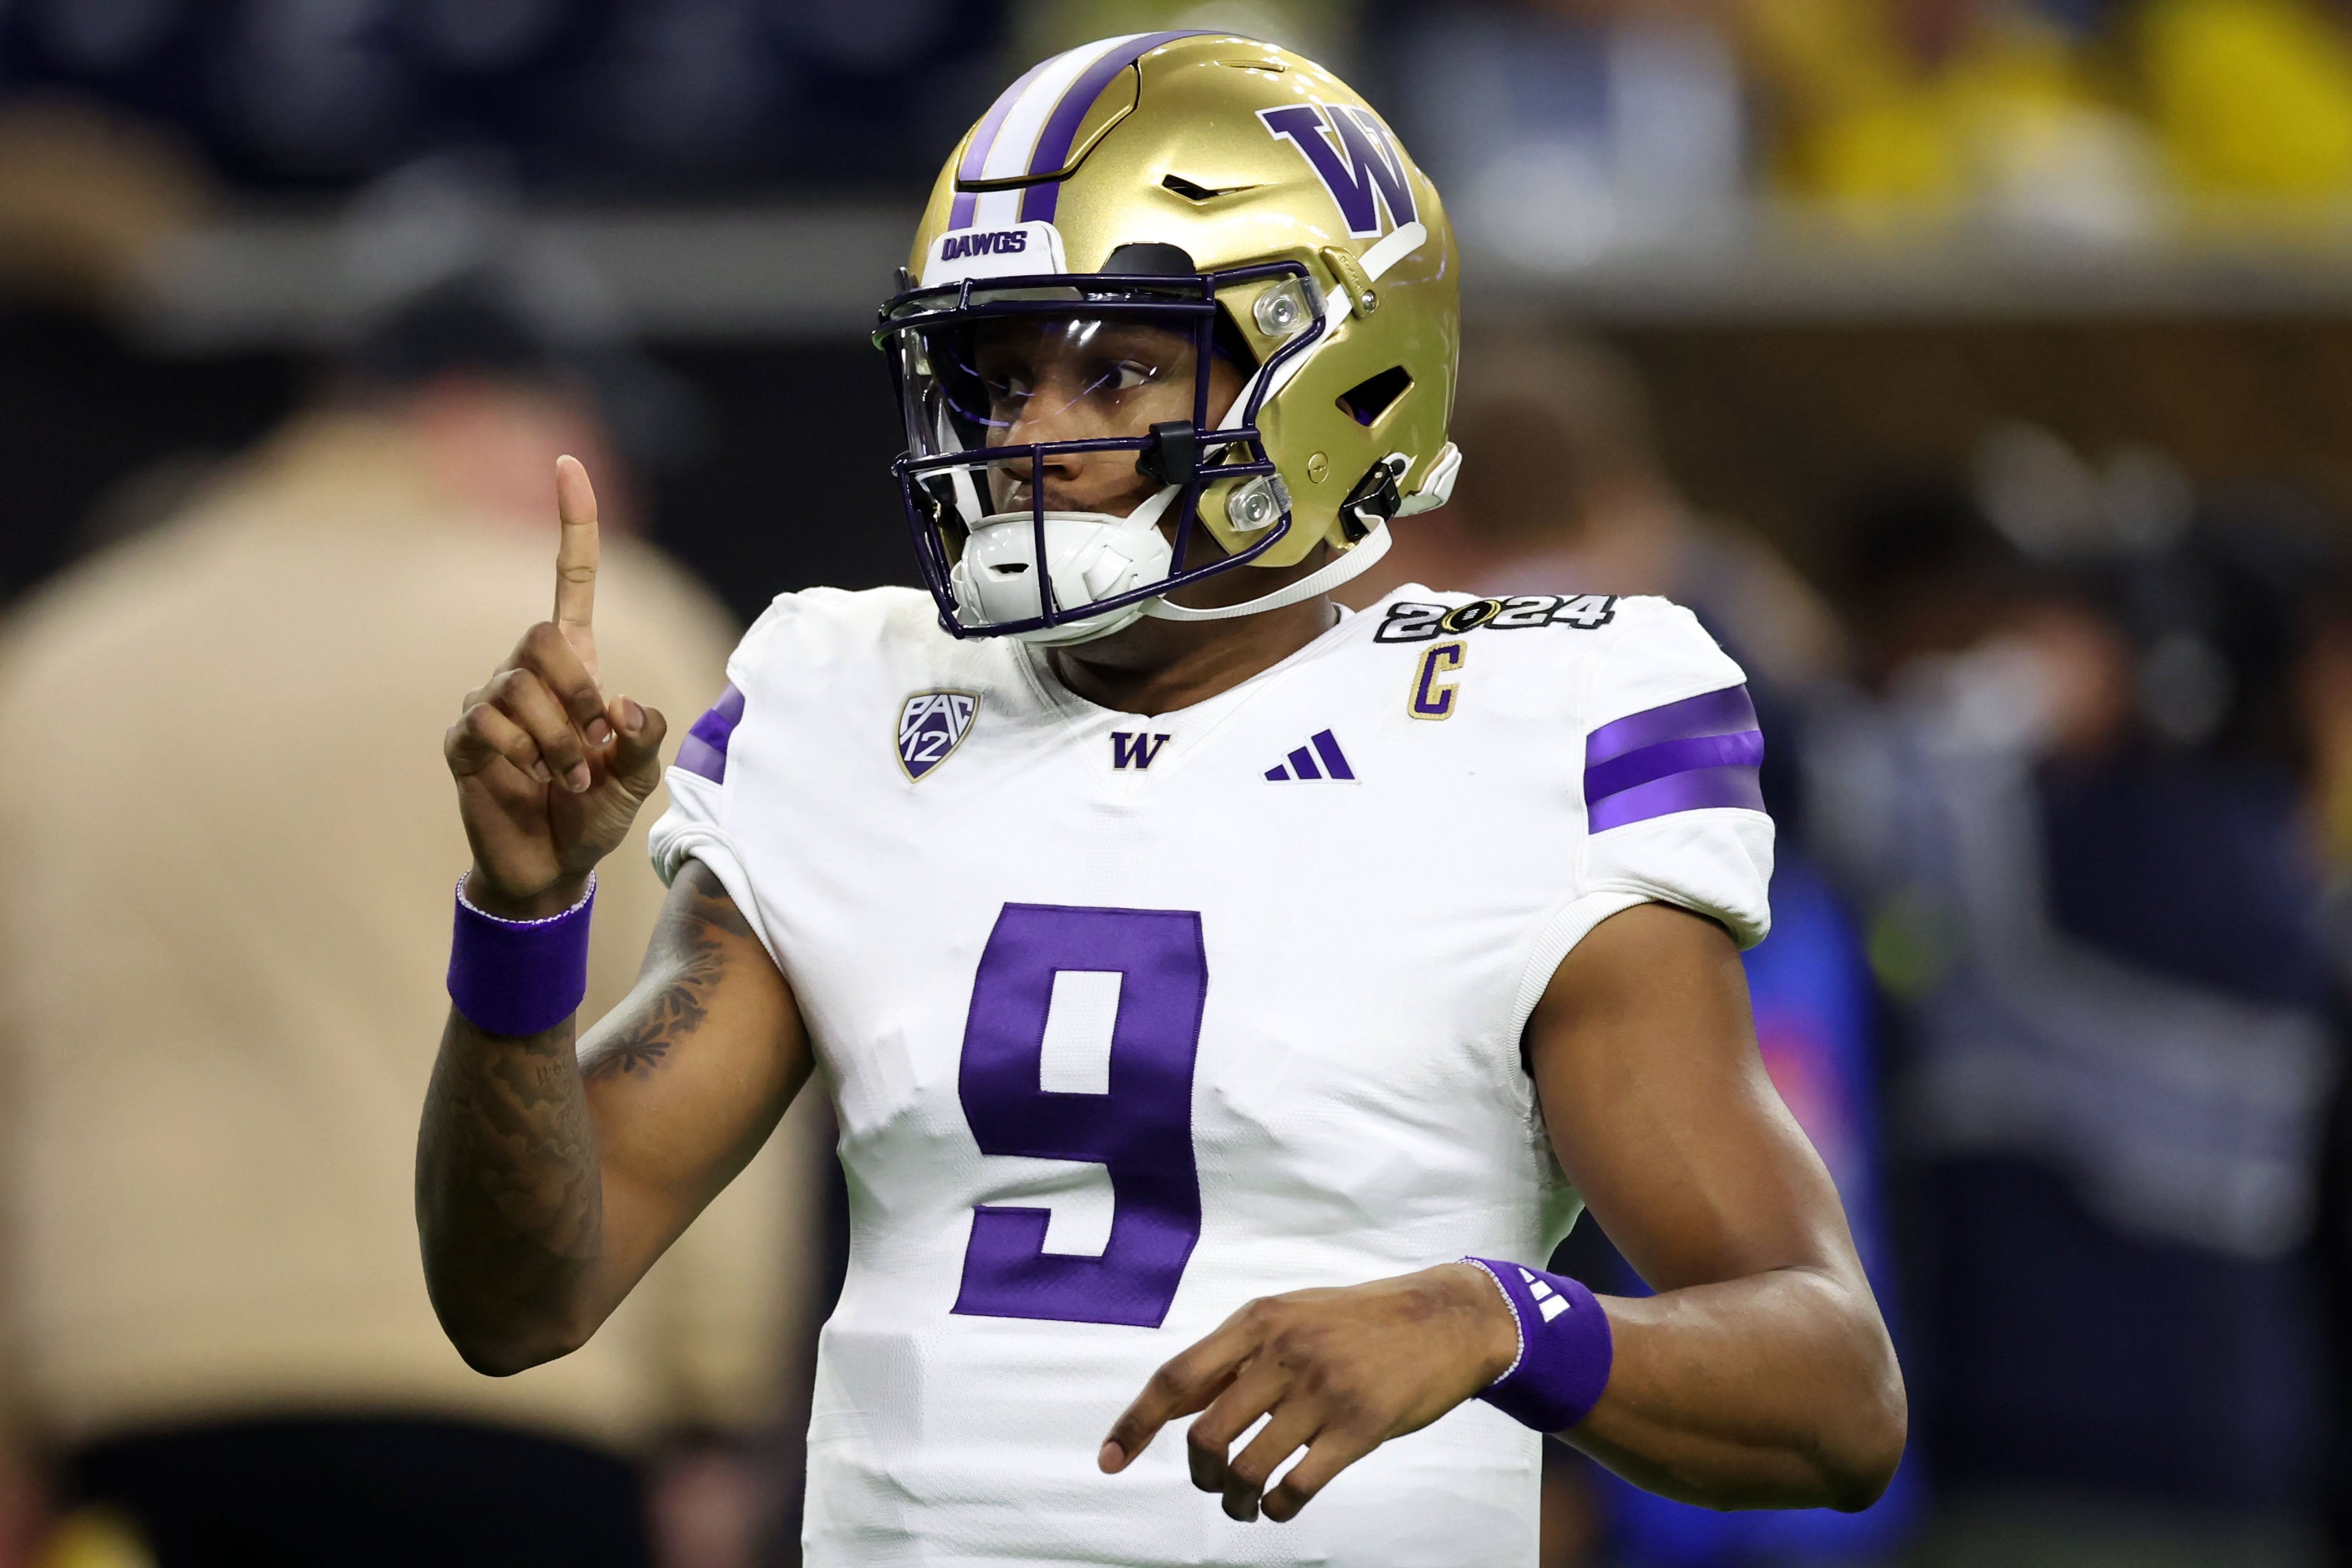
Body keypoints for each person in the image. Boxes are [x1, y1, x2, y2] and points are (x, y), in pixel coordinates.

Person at [416, 31, 1905, 1567]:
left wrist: (1497, 1320)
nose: (1031, 440)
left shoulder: (1526, 731)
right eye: (999, 378)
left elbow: (1835, 1396)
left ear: (1336, 372)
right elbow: (519, 1300)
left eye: (1116, 367)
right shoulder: (850, 704)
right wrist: (521, 924)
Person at [0, 204, 827, 1567]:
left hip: (139, 1415)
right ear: (474, 412)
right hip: (521, 1416)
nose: (620, 490)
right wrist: (714, 1414)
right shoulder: (627, 647)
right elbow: (708, 1036)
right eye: (592, 440)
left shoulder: (58, 663)